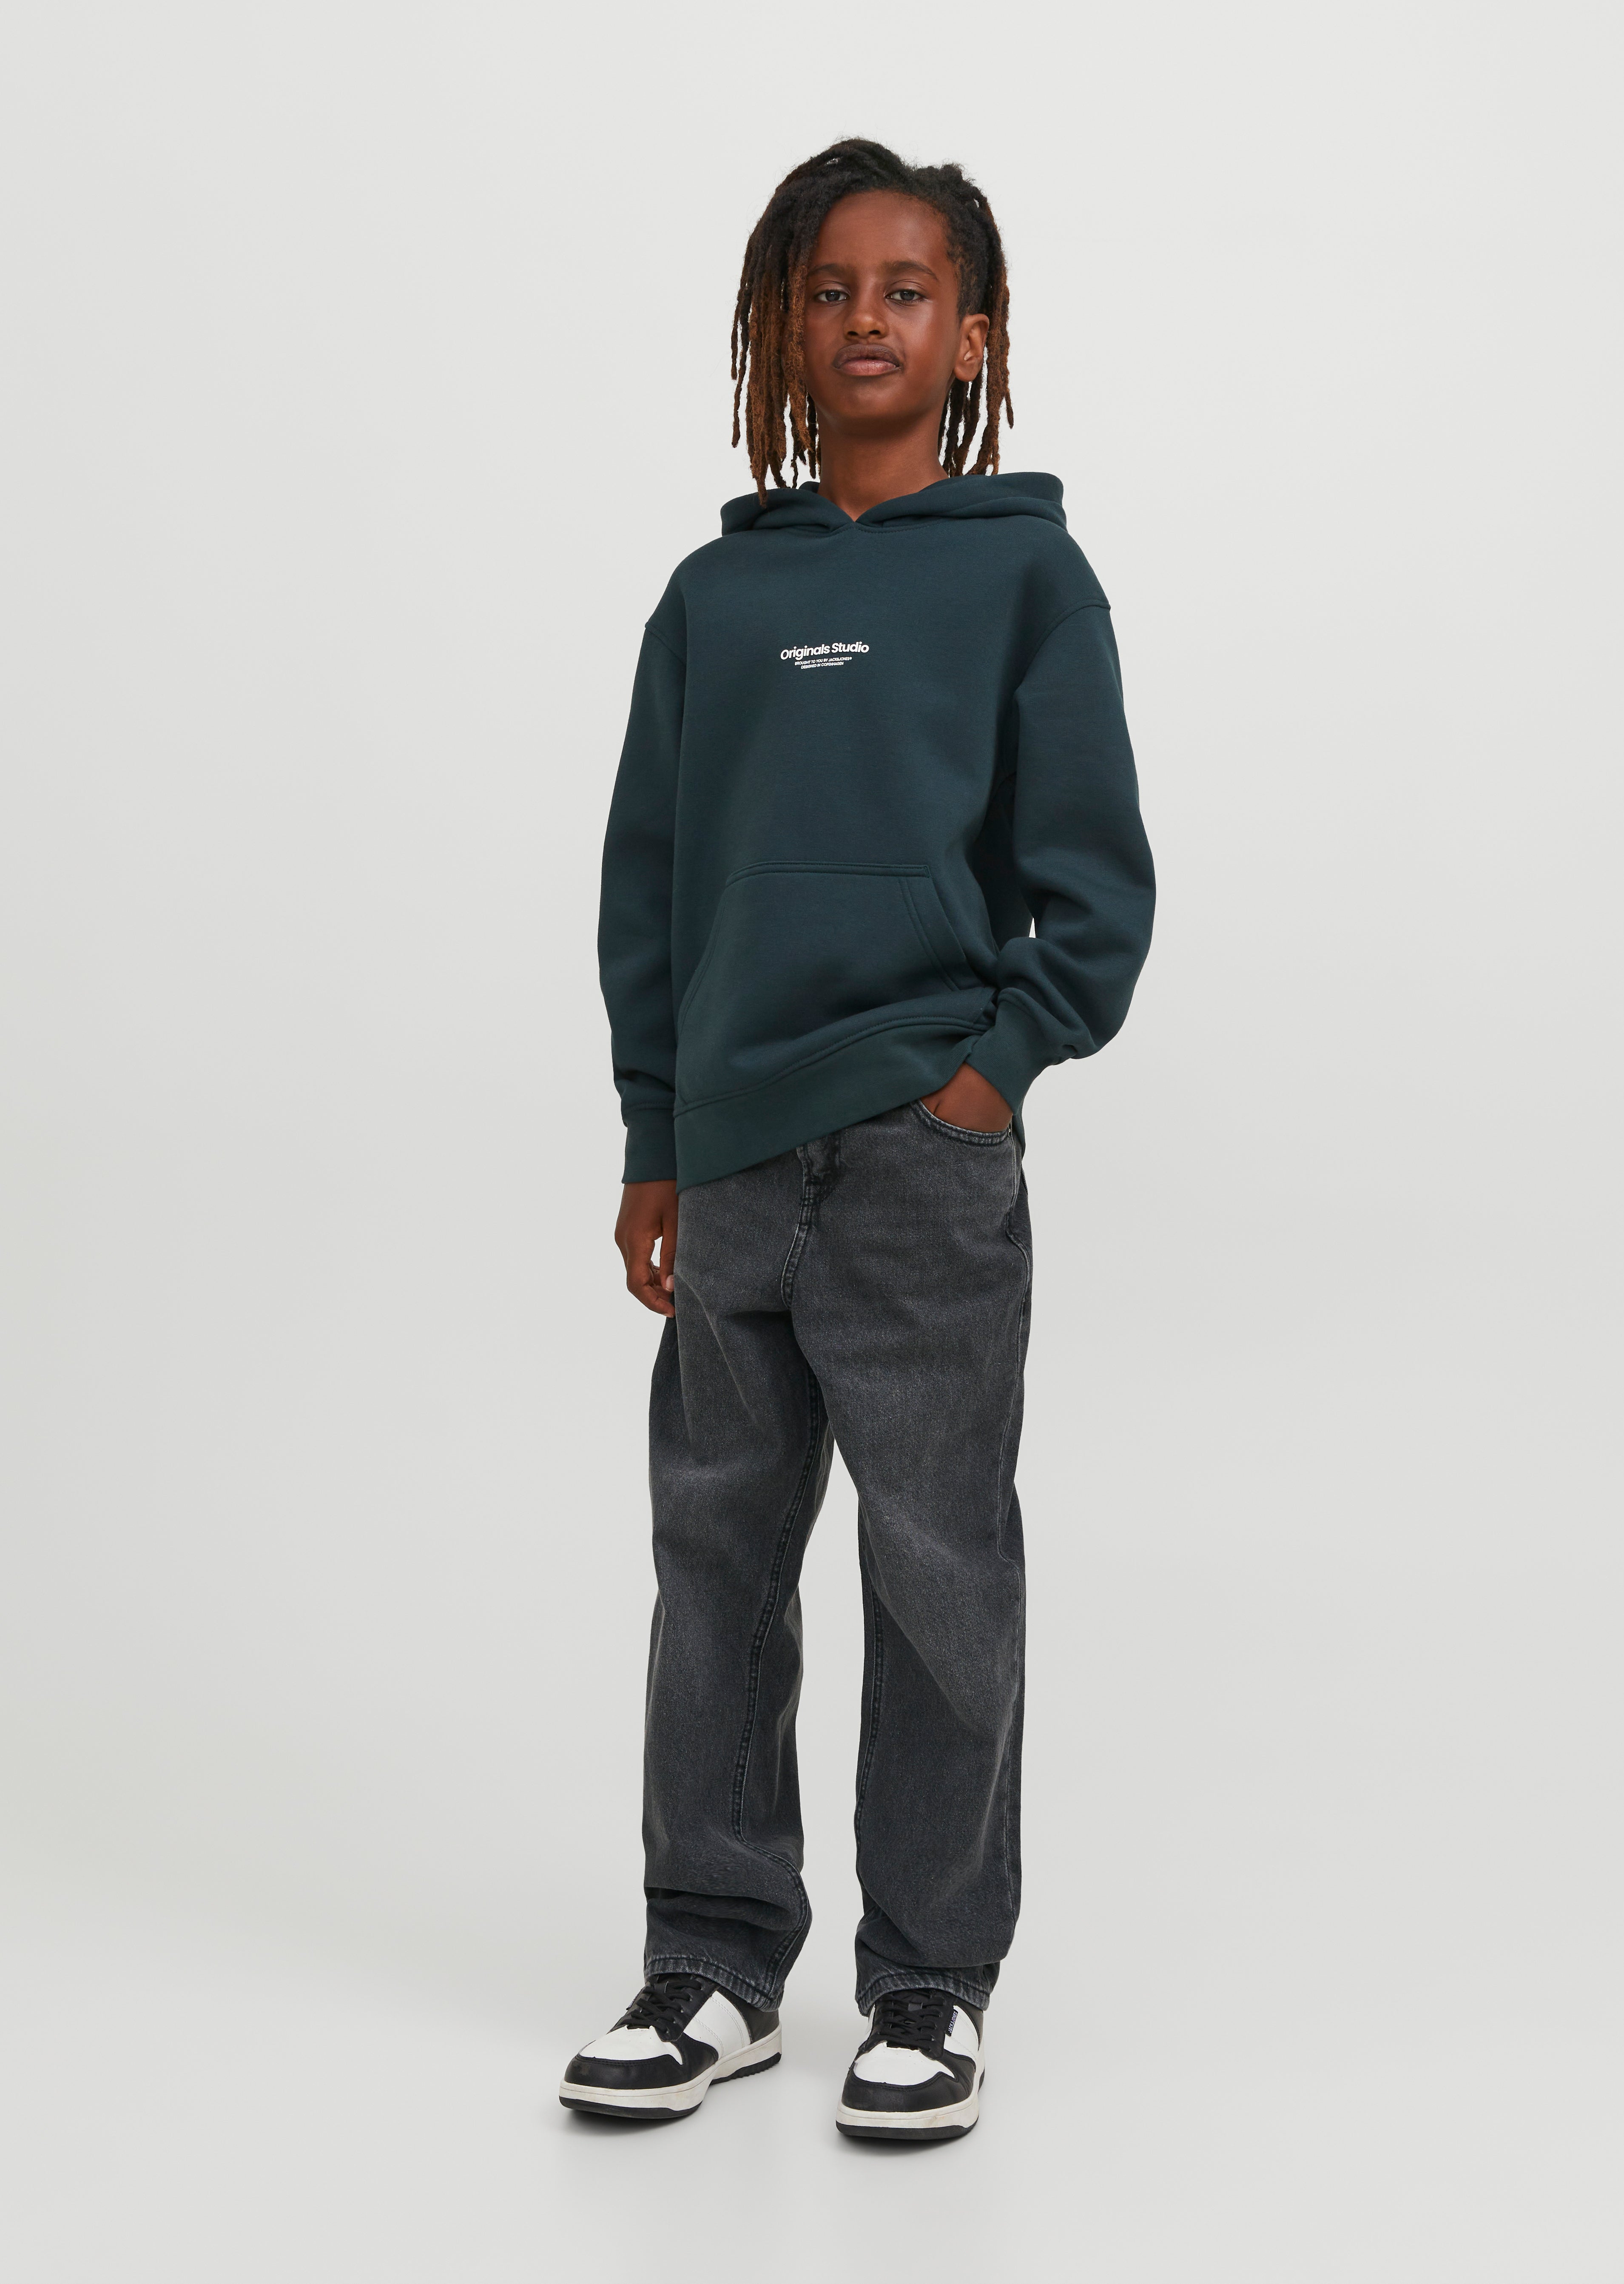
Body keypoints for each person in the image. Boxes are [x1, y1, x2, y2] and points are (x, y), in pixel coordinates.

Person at [562, 139, 1155, 2142]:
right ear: (778, 330)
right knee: (715, 1564)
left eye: (906, 289)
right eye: (827, 290)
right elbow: (648, 889)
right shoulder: (714, 599)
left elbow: (1093, 887)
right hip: (733, 1159)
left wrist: (987, 1073)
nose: (864, 319)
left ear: (969, 334)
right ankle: (713, 1960)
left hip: (919, 1161)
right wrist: (655, 1134)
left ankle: (926, 1979)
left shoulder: (1023, 578)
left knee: (936, 1566)